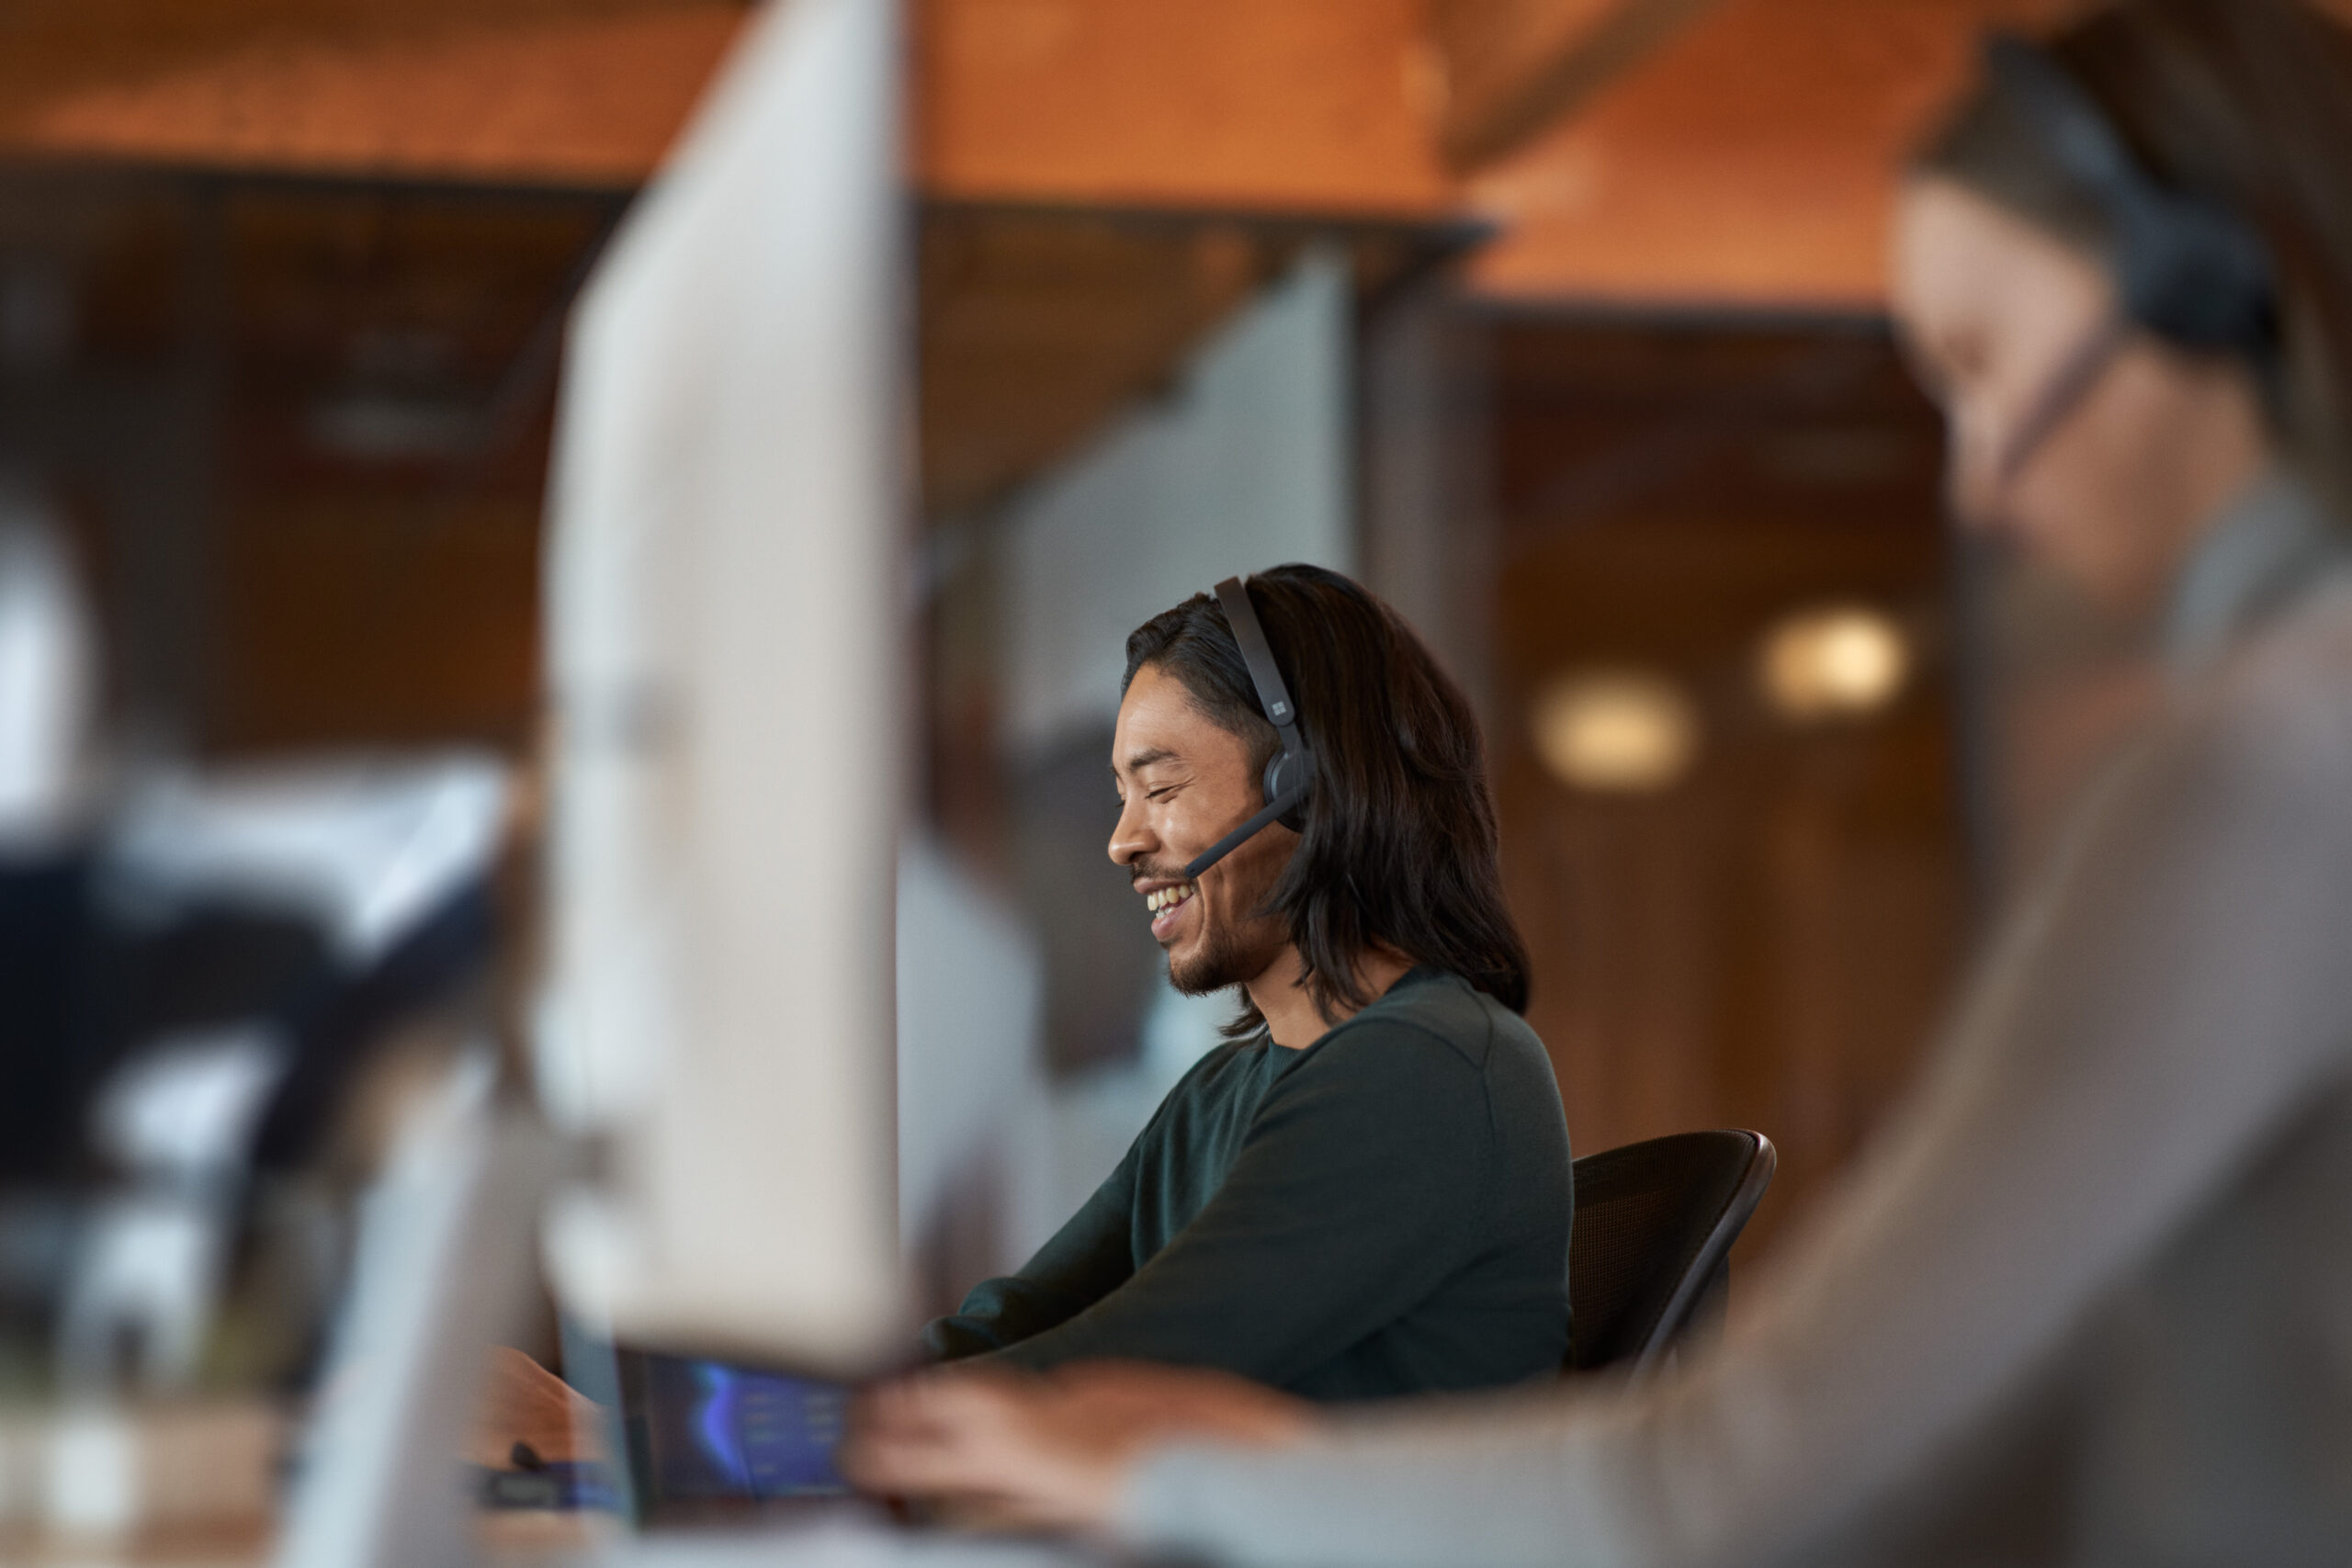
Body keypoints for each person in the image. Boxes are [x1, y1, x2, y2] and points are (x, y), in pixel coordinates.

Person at [842, 2, 2352, 1562]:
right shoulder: (2283, 750)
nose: (1978, 481)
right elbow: (1034, 1330)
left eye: (1984, 365)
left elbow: (1718, 1480)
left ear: (2212, 299)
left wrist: (1176, 1472)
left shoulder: (2268, 775)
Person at [922, 564, 1572, 1401]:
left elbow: (1137, 1362)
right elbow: (1015, 1320)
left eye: (1159, 786)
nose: (1122, 842)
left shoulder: (1432, 1069)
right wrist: (809, 1418)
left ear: (1301, 783)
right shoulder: (1215, 1097)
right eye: (1122, 796)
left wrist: (844, 1438)